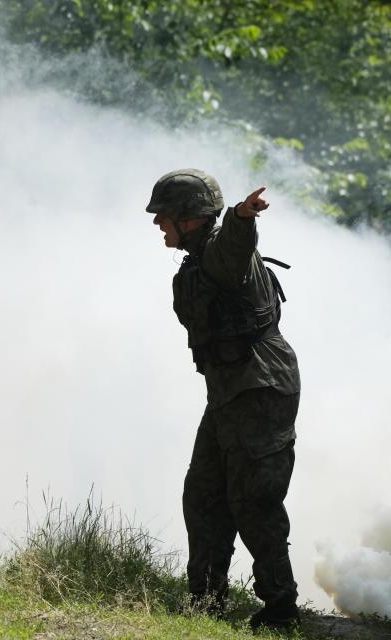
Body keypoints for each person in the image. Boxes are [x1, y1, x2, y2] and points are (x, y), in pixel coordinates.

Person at [146, 169, 301, 632]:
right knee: (205, 496)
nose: (158, 225)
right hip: (230, 394)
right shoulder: (198, 260)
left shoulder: (221, 251)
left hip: (260, 390)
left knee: (255, 502)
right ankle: (207, 602)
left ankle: (280, 609)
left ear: (190, 218)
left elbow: (234, 244)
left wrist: (241, 215)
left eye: (165, 216)